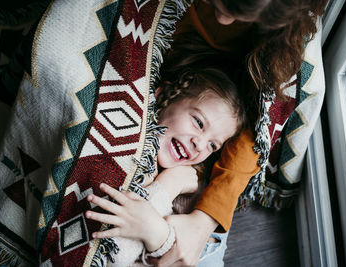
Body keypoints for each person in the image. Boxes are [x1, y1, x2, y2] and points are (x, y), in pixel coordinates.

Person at [150, 0, 329, 266]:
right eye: (217, 3)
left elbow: (255, 135)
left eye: (214, 145)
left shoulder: (283, 46)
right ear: (161, 94)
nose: (221, 20)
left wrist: (203, 219)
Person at [85, 67, 246, 266]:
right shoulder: (129, 144)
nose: (200, 144)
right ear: (163, 95)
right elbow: (105, 255)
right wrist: (167, 189)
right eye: (198, 122)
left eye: (213, 145)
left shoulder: (194, 187)